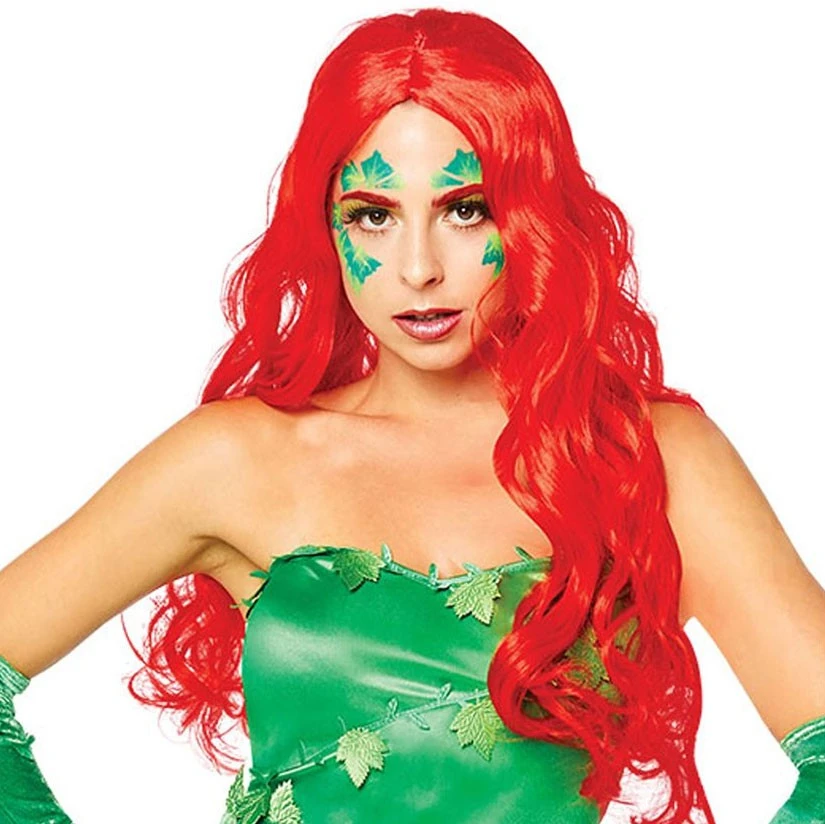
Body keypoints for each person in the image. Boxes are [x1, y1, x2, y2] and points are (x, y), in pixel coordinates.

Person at [1, 7, 823, 823]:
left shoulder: (649, 458)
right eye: (374, 215)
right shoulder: (237, 459)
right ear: (324, 225)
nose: (419, 268)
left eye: (466, 209)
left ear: (531, 216)